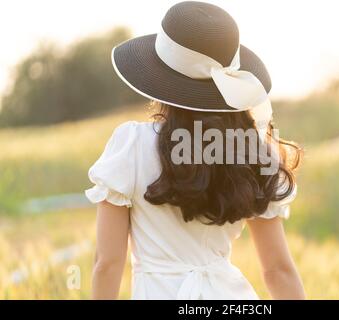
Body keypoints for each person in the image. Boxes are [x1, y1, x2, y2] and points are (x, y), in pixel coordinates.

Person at [85, 1, 306, 300]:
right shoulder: (252, 152)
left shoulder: (132, 144)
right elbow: (278, 270)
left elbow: (108, 264)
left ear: (160, 77)